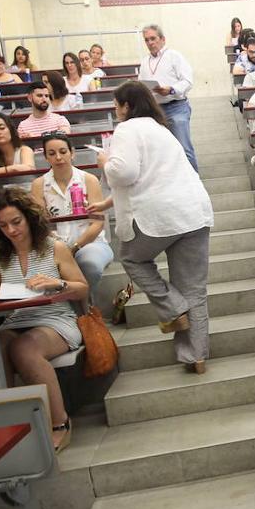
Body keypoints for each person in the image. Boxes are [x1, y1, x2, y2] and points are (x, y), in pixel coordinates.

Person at [96, 81, 213, 372]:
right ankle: (195, 357)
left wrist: (104, 162)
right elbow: (153, 176)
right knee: (194, 290)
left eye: (116, 106)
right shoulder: (162, 130)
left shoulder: (127, 129)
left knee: (131, 257)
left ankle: (173, 308)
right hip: (194, 212)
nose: (116, 111)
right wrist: (108, 203)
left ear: (126, 106)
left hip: (160, 216)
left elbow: (124, 172)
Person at [0, 187, 89, 451]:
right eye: (3, 225)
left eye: (16, 222)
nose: (11, 230)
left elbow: (82, 288)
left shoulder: (55, 247)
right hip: (17, 318)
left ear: (29, 218)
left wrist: (57, 283)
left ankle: (59, 422)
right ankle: (13, 425)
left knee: (24, 347)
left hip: (56, 318)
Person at [30, 132, 112, 302]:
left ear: (72, 153)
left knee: (90, 264)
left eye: (63, 151)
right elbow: (40, 225)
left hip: (91, 243)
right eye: (51, 154)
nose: (58, 157)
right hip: (53, 247)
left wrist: (74, 247)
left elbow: (97, 224)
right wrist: (60, 248)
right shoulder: (38, 184)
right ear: (45, 157)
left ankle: (86, 309)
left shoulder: (88, 179)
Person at [137, 24, 198, 170]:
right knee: (161, 153)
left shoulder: (174, 56)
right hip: (155, 111)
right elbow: (141, 85)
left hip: (176, 107)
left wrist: (171, 90)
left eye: (153, 38)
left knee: (184, 149)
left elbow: (188, 81)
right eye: (146, 40)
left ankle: (194, 186)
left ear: (162, 39)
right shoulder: (145, 62)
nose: (150, 42)